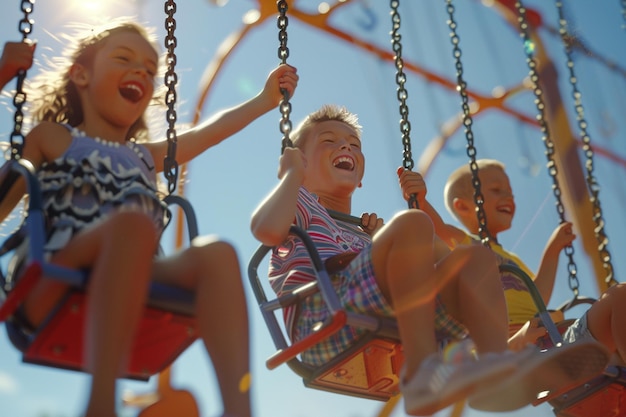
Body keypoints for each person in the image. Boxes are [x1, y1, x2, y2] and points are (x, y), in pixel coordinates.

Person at [0, 21, 298, 417]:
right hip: (52, 278)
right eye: (124, 59)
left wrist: (265, 99)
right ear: (81, 74)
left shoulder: (146, 155)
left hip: (135, 284)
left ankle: (238, 410)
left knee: (218, 254)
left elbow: (211, 133)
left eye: (149, 69)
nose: (140, 71)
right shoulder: (51, 138)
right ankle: (101, 404)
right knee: (133, 224)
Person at [250, 104, 606, 416]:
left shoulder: (366, 234)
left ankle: (497, 365)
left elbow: (446, 262)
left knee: (476, 257)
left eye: (353, 144)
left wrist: (401, 225)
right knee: (412, 224)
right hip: (322, 319)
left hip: (377, 313)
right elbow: (265, 230)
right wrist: (292, 176)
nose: (345, 146)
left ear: (360, 178)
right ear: (300, 160)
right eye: (328, 140)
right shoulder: (301, 203)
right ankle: (423, 375)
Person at [398, 159, 616, 410]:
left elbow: (537, 298)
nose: (508, 197)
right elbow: (438, 229)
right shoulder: (466, 243)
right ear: (463, 206)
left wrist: (553, 249)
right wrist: (420, 200)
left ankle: (607, 362)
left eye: (510, 192)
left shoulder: (514, 262)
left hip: (549, 335)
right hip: (506, 336)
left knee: (618, 297)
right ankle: (507, 353)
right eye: (496, 190)